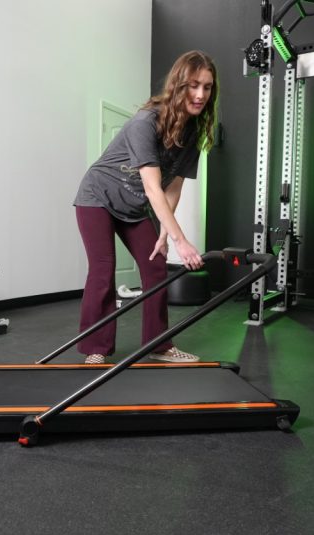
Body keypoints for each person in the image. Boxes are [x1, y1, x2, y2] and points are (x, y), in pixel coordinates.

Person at [73, 50, 219, 365]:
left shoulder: (193, 131)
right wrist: (182, 239)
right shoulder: (146, 122)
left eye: (207, 87)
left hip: (135, 206)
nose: (200, 94)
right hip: (98, 197)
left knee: (155, 266)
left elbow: (173, 187)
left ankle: (160, 345)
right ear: (179, 85)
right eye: (194, 85)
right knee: (102, 269)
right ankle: (96, 348)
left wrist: (165, 234)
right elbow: (153, 187)